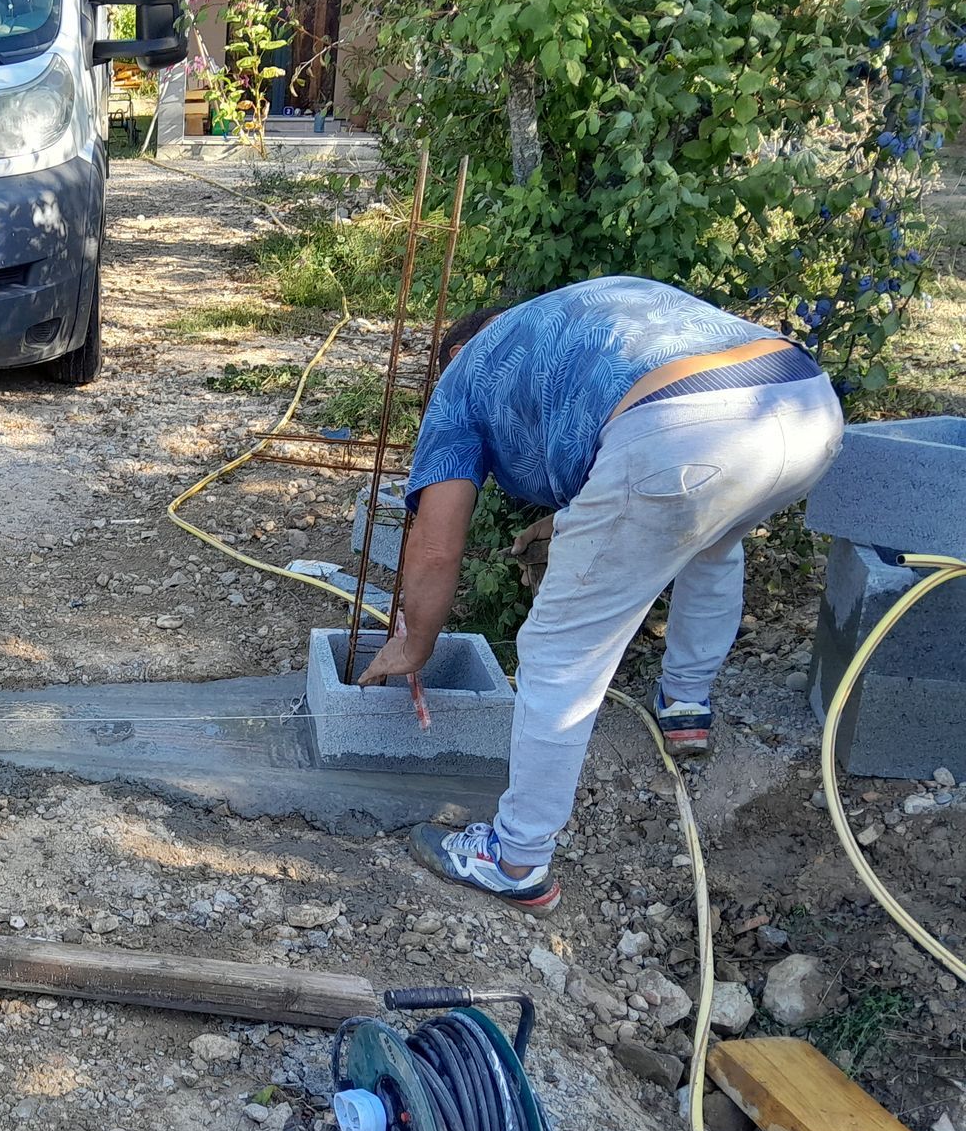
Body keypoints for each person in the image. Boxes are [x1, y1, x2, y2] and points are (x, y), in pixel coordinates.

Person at [359, 276, 845, 913]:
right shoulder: (583, 314)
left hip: (681, 432)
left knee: (561, 652)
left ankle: (516, 859)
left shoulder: (463, 376)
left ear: (458, 352)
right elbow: (634, 448)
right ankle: (685, 705)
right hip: (803, 406)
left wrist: (414, 642)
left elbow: (435, 544)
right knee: (714, 541)